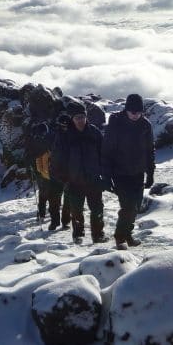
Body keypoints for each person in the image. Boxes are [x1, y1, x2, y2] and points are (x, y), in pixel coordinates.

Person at [102, 93, 155, 249]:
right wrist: (106, 176)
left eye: (139, 112)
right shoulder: (116, 123)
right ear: (126, 110)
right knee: (128, 206)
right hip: (120, 173)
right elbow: (107, 150)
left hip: (138, 172)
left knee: (136, 206)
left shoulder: (145, 125)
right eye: (133, 112)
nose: (135, 115)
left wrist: (150, 173)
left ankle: (127, 234)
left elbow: (150, 150)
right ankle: (120, 237)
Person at [51, 101, 106, 244]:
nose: (80, 120)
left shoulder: (94, 132)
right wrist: (64, 179)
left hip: (93, 179)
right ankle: (78, 234)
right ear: (71, 119)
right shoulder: (64, 136)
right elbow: (57, 159)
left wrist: (104, 174)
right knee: (76, 211)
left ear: (86, 117)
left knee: (97, 208)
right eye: (77, 118)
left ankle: (98, 234)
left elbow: (104, 154)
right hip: (74, 181)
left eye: (82, 117)